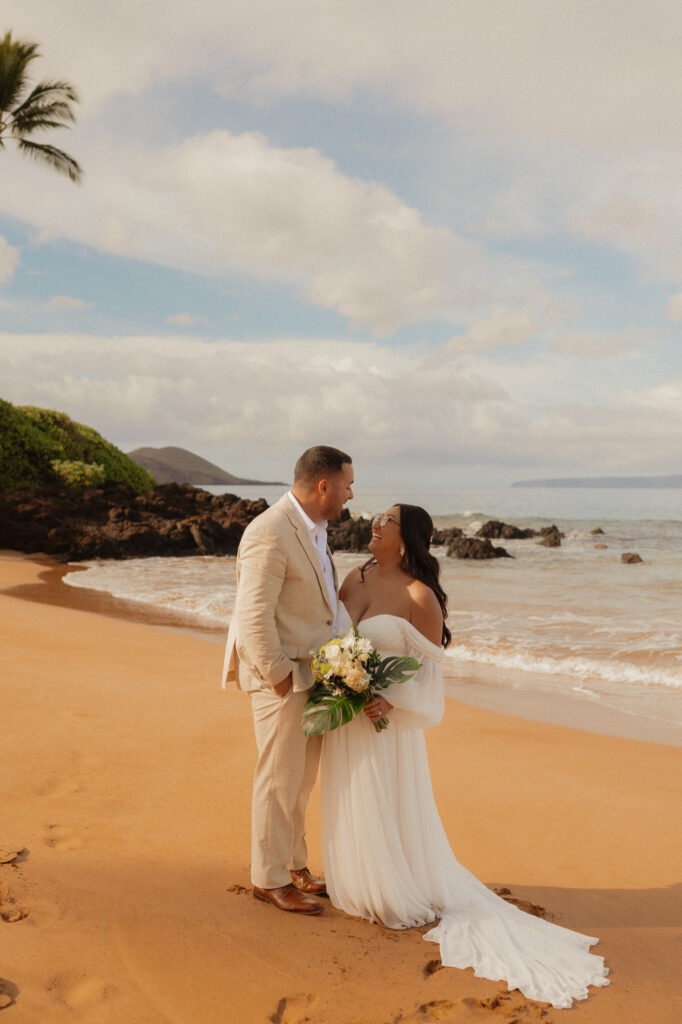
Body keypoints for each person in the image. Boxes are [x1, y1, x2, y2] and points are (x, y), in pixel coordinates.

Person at [322, 504, 610, 1008]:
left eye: (385, 521)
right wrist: (338, 676)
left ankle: (389, 887)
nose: (373, 525)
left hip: (385, 721)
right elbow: (333, 638)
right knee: (349, 793)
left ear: (407, 538)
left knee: (383, 798)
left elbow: (428, 679)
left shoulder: (420, 597)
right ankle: (353, 877)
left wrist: (390, 698)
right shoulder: (354, 577)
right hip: (348, 715)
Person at [222, 445, 354, 915]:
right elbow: (252, 614)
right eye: (346, 485)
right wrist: (279, 677)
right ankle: (269, 878)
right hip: (281, 678)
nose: (350, 494)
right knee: (278, 778)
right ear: (324, 486)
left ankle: (295, 866)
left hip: (312, 676)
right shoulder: (271, 532)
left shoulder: (314, 531)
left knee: (299, 781)